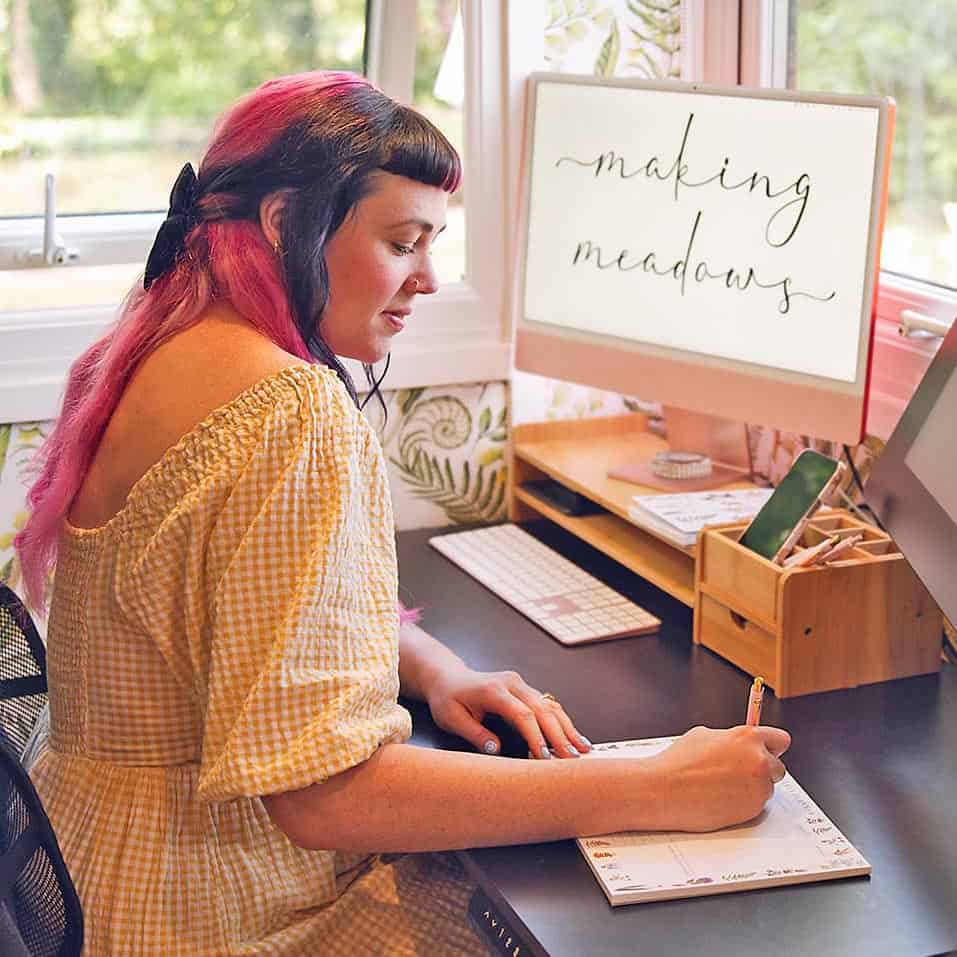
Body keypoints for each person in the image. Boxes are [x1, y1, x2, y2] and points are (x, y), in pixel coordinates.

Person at [15, 71, 791, 955]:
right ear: (283, 224)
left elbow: (233, 610)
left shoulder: (160, 340)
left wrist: (429, 665)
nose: (425, 278)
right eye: (402, 241)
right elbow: (326, 795)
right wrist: (653, 784)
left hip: (103, 863)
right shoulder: (286, 410)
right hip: (208, 906)